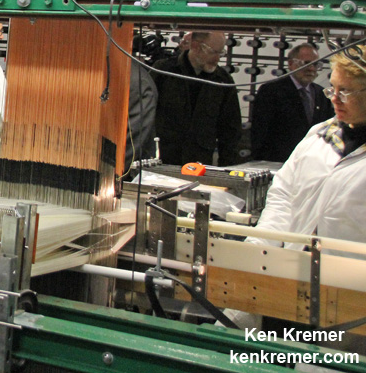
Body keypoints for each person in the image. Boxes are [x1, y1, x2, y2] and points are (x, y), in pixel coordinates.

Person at [250, 50, 366, 258]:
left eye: (346, 91)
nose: (335, 99)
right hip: (297, 267)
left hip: (353, 278)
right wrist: (258, 247)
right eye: (332, 89)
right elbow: (284, 197)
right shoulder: (318, 136)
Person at [151, 31, 242, 166]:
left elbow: (230, 131)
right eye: (213, 52)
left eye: (220, 53)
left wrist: (227, 171)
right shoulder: (164, 71)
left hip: (200, 164)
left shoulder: (223, 81)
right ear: (195, 46)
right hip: (164, 160)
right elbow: (145, 116)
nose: (217, 58)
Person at [249, 43, 334, 163]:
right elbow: (260, 132)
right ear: (290, 64)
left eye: (315, 64)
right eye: (306, 63)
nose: (311, 69)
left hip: (311, 162)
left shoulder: (321, 93)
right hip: (278, 161)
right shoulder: (271, 91)